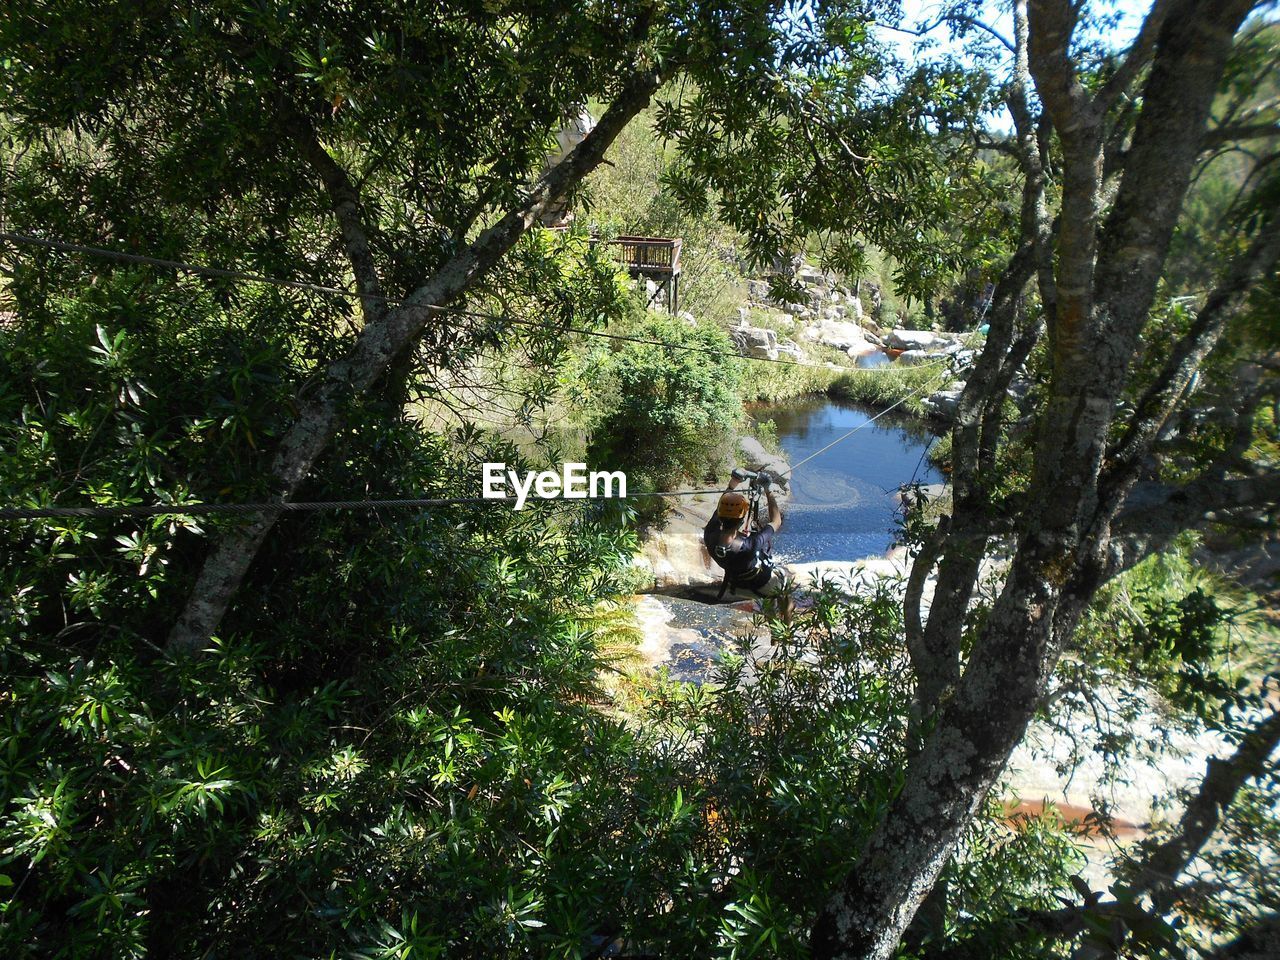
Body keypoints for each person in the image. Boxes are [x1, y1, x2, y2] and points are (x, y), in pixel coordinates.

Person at [703, 468, 790, 612]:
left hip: (734, 578)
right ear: (741, 520)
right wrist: (768, 491)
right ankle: (786, 627)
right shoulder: (750, 545)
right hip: (760, 581)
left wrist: (733, 484)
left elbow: (721, 508)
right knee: (787, 600)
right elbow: (776, 521)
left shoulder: (710, 534)